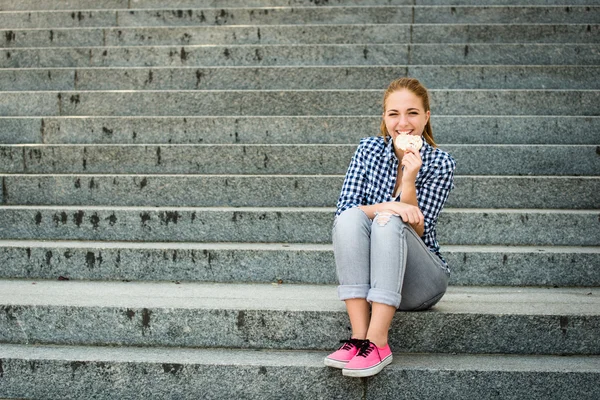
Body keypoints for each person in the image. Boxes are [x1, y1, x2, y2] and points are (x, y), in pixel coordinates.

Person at [324, 77, 456, 378]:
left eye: (412, 112)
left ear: (426, 117)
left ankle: (378, 342)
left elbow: (420, 231)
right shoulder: (368, 150)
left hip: (422, 281)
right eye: (393, 114)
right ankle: (359, 338)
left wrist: (408, 182)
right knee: (352, 218)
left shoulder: (440, 163)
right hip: (374, 278)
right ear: (384, 118)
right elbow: (344, 210)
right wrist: (389, 205)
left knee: (388, 221)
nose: (403, 123)